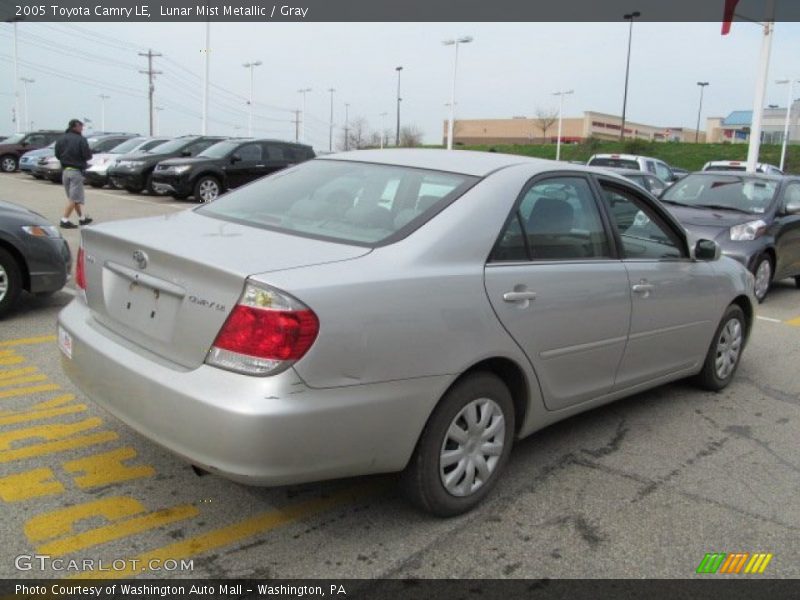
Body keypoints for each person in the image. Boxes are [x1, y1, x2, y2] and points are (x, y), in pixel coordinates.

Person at [54, 119, 93, 229]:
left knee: (73, 198)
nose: (82, 129)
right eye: (81, 127)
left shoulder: (61, 139)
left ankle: (82, 219)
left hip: (65, 171)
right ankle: (64, 220)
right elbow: (87, 155)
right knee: (74, 198)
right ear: (75, 127)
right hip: (76, 171)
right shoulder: (81, 139)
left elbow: (57, 154)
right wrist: (86, 157)